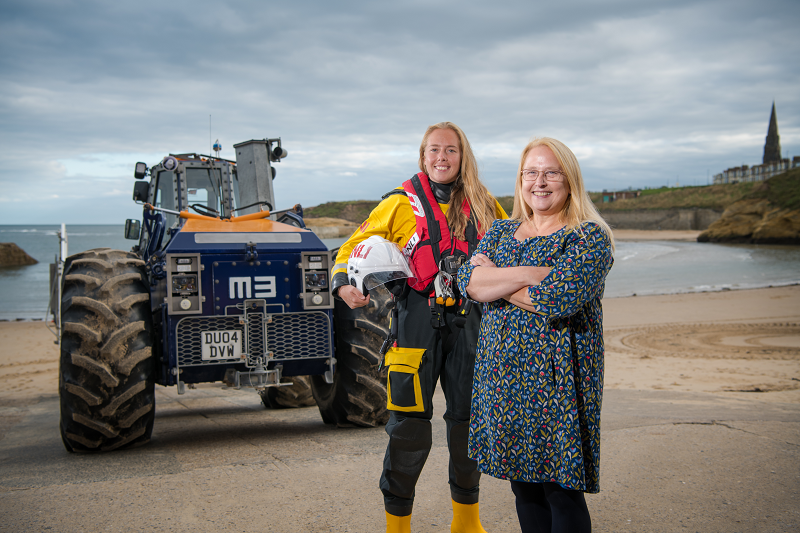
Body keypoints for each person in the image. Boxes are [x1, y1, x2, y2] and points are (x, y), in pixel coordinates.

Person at [331, 122, 507, 533]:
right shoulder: (398, 204)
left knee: (467, 423)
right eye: (434, 150)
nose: (441, 158)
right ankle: (398, 527)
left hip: (472, 324)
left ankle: (466, 522)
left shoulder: (486, 204)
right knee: (407, 429)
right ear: (422, 156)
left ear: (463, 157)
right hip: (414, 324)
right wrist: (344, 285)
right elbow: (352, 247)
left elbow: (515, 246)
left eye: (450, 150)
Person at [457, 137, 614, 533]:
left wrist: (497, 280)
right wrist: (531, 274)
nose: (539, 182)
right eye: (531, 173)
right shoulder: (500, 232)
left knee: (562, 491)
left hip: (559, 380)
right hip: (503, 378)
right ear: (520, 180)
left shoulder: (588, 237)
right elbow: (468, 282)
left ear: (569, 179)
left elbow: (560, 298)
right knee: (523, 489)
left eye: (550, 172)